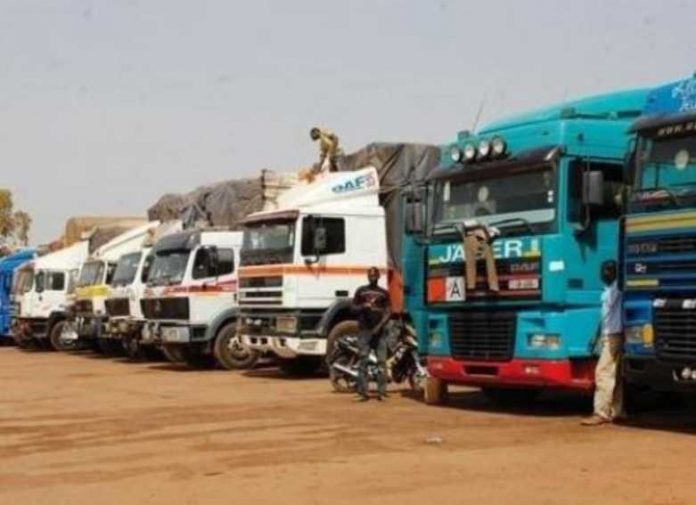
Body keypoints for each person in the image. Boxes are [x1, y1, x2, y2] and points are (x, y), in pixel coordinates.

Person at [582, 260, 624, 426]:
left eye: (608, 270)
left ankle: (601, 412)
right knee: (614, 374)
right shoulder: (607, 290)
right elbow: (605, 316)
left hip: (615, 334)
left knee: (603, 372)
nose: (604, 273)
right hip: (608, 334)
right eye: (603, 270)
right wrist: (596, 335)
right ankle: (617, 411)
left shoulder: (617, 289)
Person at [352, 267, 391, 402]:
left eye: (375, 275)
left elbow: (388, 312)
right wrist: (363, 307)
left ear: (379, 276)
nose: (373, 277)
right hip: (364, 331)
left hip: (379, 332)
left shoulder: (384, 293)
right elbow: (353, 308)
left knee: (381, 362)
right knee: (363, 361)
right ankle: (363, 392)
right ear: (367, 276)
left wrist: (379, 326)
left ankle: (382, 392)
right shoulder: (361, 291)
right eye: (370, 275)